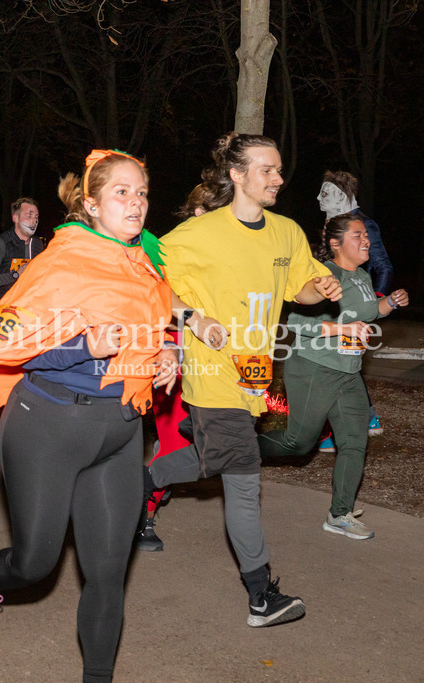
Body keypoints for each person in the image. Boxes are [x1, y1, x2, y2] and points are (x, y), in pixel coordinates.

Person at [0, 149, 178, 683]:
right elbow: (7, 341)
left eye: (142, 193)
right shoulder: (59, 263)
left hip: (120, 433)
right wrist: (81, 345)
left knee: (109, 577)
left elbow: (155, 324)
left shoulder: (146, 263)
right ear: (90, 203)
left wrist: (166, 355)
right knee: (34, 564)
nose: (135, 204)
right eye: (121, 193)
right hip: (46, 425)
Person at [145, 132, 342, 628]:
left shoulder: (287, 232)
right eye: (267, 170)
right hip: (211, 376)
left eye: (278, 170)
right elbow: (145, 283)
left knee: (213, 459)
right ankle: (261, 595)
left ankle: (138, 484)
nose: (278, 178)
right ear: (237, 175)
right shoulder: (196, 235)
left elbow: (300, 288)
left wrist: (321, 286)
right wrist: (191, 317)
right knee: (244, 479)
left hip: (255, 377)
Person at [258, 214, 409, 539]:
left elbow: (367, 312)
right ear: (335, 243)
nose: (366, 240)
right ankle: (237, 447)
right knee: (298, 444)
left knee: (354, 441)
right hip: (314, 368)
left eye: (366, 234)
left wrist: (390, 304)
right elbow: (296, 323)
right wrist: (343, 329)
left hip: (349, 372)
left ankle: (339, 514)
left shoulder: (361, 277)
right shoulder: (325, 274)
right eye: (357, 235)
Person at [136, 180, 225, 552]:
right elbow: (154, 304)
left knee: (215, 444)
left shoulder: (227, 253)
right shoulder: (167, 250)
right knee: (173, 439)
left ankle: (159, 477)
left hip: (216, 359)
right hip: (173, 354)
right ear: (201, 214)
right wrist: (168, 349)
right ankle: (144, 513)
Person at [317, 170, 393, 444]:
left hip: (351, 304)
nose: (318, 198)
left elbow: (383, 266)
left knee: (340, 362)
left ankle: (352, 423)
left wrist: (373, 299)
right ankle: (355, 421)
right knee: (337, 361)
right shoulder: (335, 221)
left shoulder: (364, 225)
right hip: (332, 299)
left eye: (325, 193)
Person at [0, 197, 43, 310]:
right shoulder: (1, 243)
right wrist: (15, 275)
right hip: (0, 311)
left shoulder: (37, 244)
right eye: (29, 216)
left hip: (27, 310)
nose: (34, 221)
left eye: (36, 217)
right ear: (15, 218)